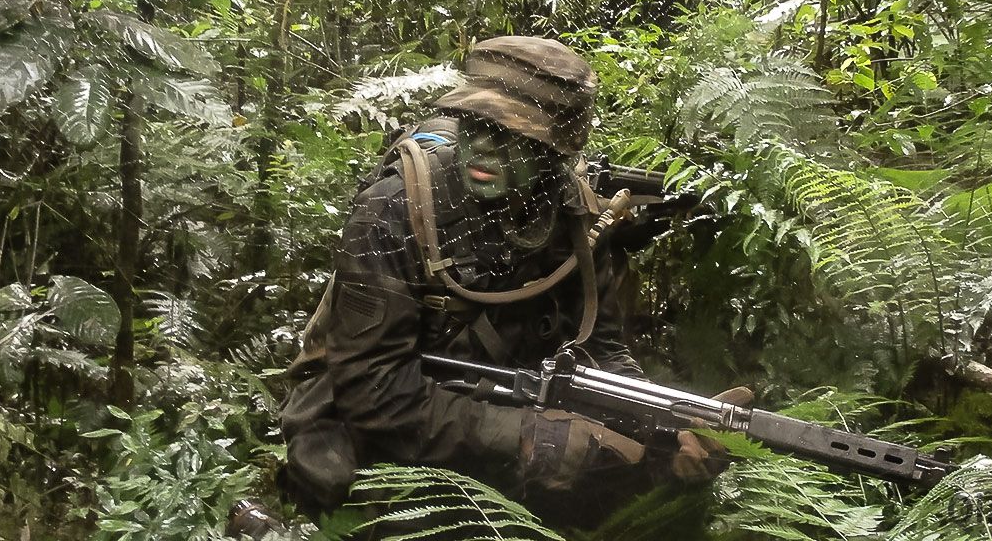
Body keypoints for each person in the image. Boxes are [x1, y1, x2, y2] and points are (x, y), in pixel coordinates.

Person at [273, 36, 733, 534]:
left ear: (555, 153)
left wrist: (662, 421)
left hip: (505, 394)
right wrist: (525, 435)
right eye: (477, 124)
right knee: (358, 493)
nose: (486, 145)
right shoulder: (395, 210)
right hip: (382, 412)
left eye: (514, 135)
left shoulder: (574, 216)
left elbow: (600, 346)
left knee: (643, 490)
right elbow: (373, 391)